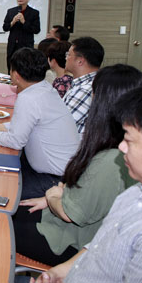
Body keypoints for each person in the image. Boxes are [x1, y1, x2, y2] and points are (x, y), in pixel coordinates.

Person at [13, 64, 140, 266]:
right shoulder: (111, 145)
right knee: (8, 211)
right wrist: (52, 198)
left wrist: (52, 195)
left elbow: (69, 214)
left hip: (70, 241)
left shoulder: (113, 158)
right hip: (63, 219)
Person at [0, 48, 80, 199]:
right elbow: (22, 126)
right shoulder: (44, 89)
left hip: (54, 180)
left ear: (15, 75)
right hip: (64, 171)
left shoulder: (28, 98)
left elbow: (15, 141)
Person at [63, 37, 104, 134]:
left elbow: (61, 125)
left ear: (80, 61)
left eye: (68, 55)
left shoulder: (86, 89)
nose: (66, 58)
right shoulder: (84, 83)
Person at [2, 0, 40, 73]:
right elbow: (5, 27)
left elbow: (37, 30)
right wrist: (13, 22)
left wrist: (24, 22)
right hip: (12, 46)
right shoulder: (11, 11)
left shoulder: (34, 13)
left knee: (25, 70)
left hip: (26, 46)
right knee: (11, 69)